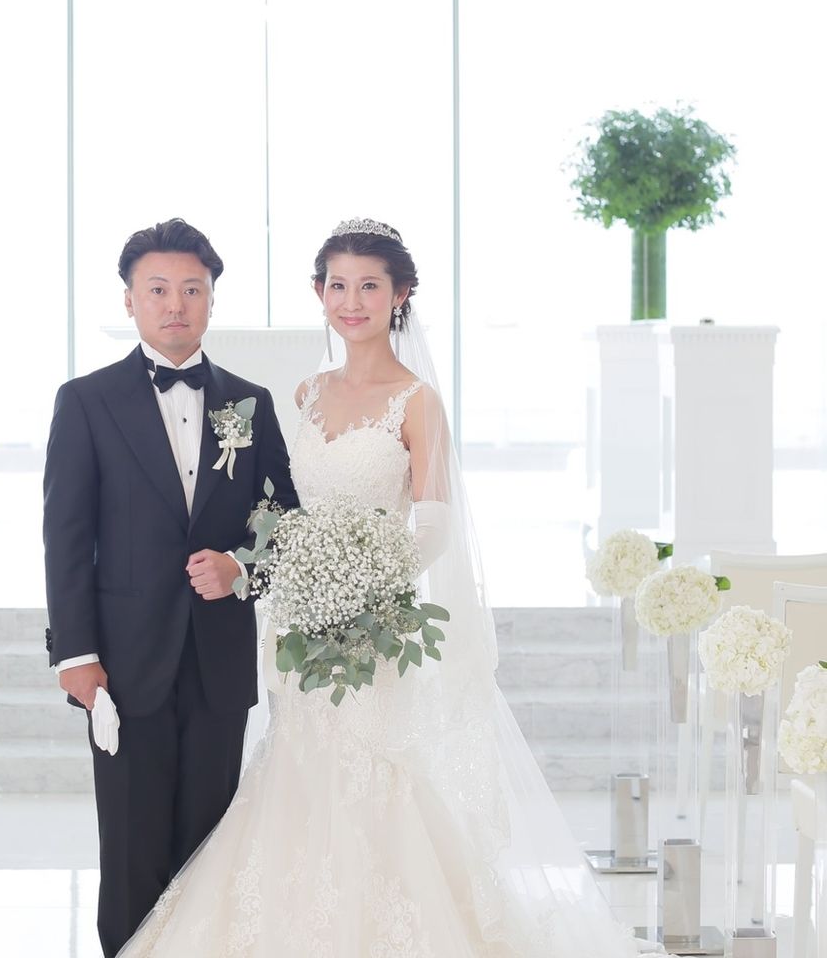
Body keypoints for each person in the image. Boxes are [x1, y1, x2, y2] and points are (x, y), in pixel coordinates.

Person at [116, 217, 650, 957]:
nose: (351, 301)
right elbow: (280, 511)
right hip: (301, 627)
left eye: (369, 286)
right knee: (299, 772)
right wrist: (292, 574)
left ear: (399, 295)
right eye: (338, 285)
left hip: (372, 629)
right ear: (319, 293)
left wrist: (361, 581)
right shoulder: (304, 393)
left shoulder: (417, 400)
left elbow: (434, 523)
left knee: (376, 777)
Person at [43, 217, 298, 958]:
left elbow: (285, 520)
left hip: (219, 663)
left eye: (192, 289)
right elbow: (66, 537)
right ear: (129, 300)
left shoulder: (249, 404)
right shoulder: (86, 401)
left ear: (212, 299)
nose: (176, 304)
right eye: (157, 289)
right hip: (124, 665)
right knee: (131, 847)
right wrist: (76, 655)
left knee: (210, 848)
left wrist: (241, 567)